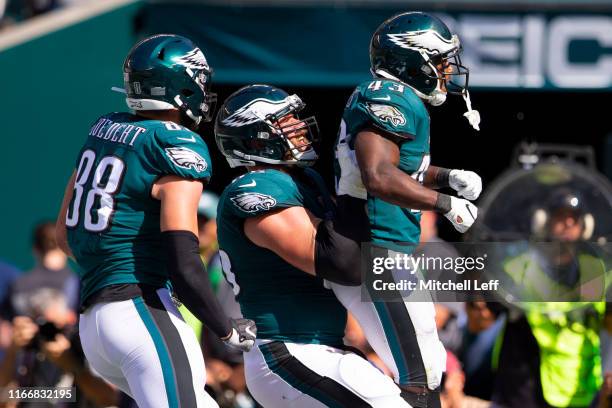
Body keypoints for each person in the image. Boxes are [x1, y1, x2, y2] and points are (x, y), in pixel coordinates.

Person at [55, 34, 255, 408]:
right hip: (141, 312)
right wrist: (226, 329)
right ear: (182, 86)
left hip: (94, 324)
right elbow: (183, 258)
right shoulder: (177, 144)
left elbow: (64, 236)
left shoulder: (105, 129)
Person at [215, 84, 409, 407]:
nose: (300, 126)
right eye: (285, 120)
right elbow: (342, 263)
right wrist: (353, 186)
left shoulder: (304, 182)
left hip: (326, 346)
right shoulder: (254, 188)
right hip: (286, 349)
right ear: (255, 137)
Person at [332, 11, 483, 407]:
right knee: (418, 374)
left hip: (387, 250)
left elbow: (400, 167)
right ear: (413, 60)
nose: (448, 70)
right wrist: (444, 202)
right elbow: (379, 174)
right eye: (441, 60)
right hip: (375, 249)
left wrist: (446, 176)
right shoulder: (387, 96)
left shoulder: (399, 99)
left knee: (428, 366)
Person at [492, 189, 612, 408]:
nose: (567, 223)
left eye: (573, 218)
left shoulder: (597, 269)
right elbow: (480, 320)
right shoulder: (519, 268)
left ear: (586, 225)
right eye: (560, 216)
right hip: (524, 390)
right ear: (543, 222)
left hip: (582, 385)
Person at [0, 288, 119, 407]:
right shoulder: (30, 346)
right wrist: (12, 351)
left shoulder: (82, 343)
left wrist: (71, 365)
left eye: (52, 326)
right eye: (42, 325)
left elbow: (109, 398)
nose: (48, 332)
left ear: (70, 317)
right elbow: (4, 397)